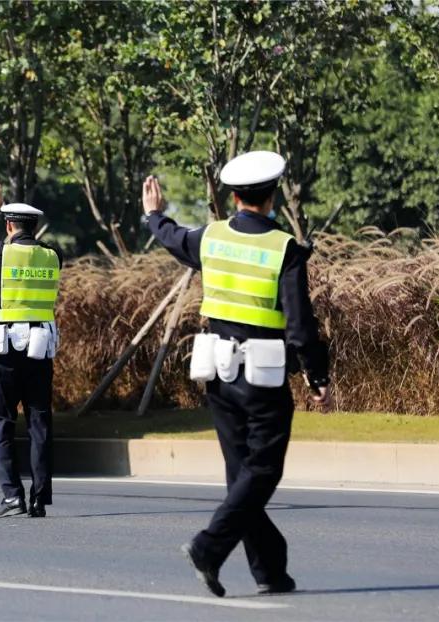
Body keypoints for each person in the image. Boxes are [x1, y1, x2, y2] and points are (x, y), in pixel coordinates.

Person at [140, 151, 331, 597]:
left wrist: (153, 215)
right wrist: (315, 374)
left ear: (233, 196)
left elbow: (172, 238)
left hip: (219, 374)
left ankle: (269, 570)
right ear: (273, 195)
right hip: (262, 377)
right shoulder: (284, 249)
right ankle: (209, 547)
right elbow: (300, 323)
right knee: (262, 470)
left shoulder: (211, 238)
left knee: (241, 473)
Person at [0, 181, 63, 518]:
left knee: (2, 421)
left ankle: (12, 497)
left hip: (5, 350)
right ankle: (39, 498)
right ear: (34, 226)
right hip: (40, 349)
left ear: (8, 225)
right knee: (39, 422)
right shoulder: (53, 256)